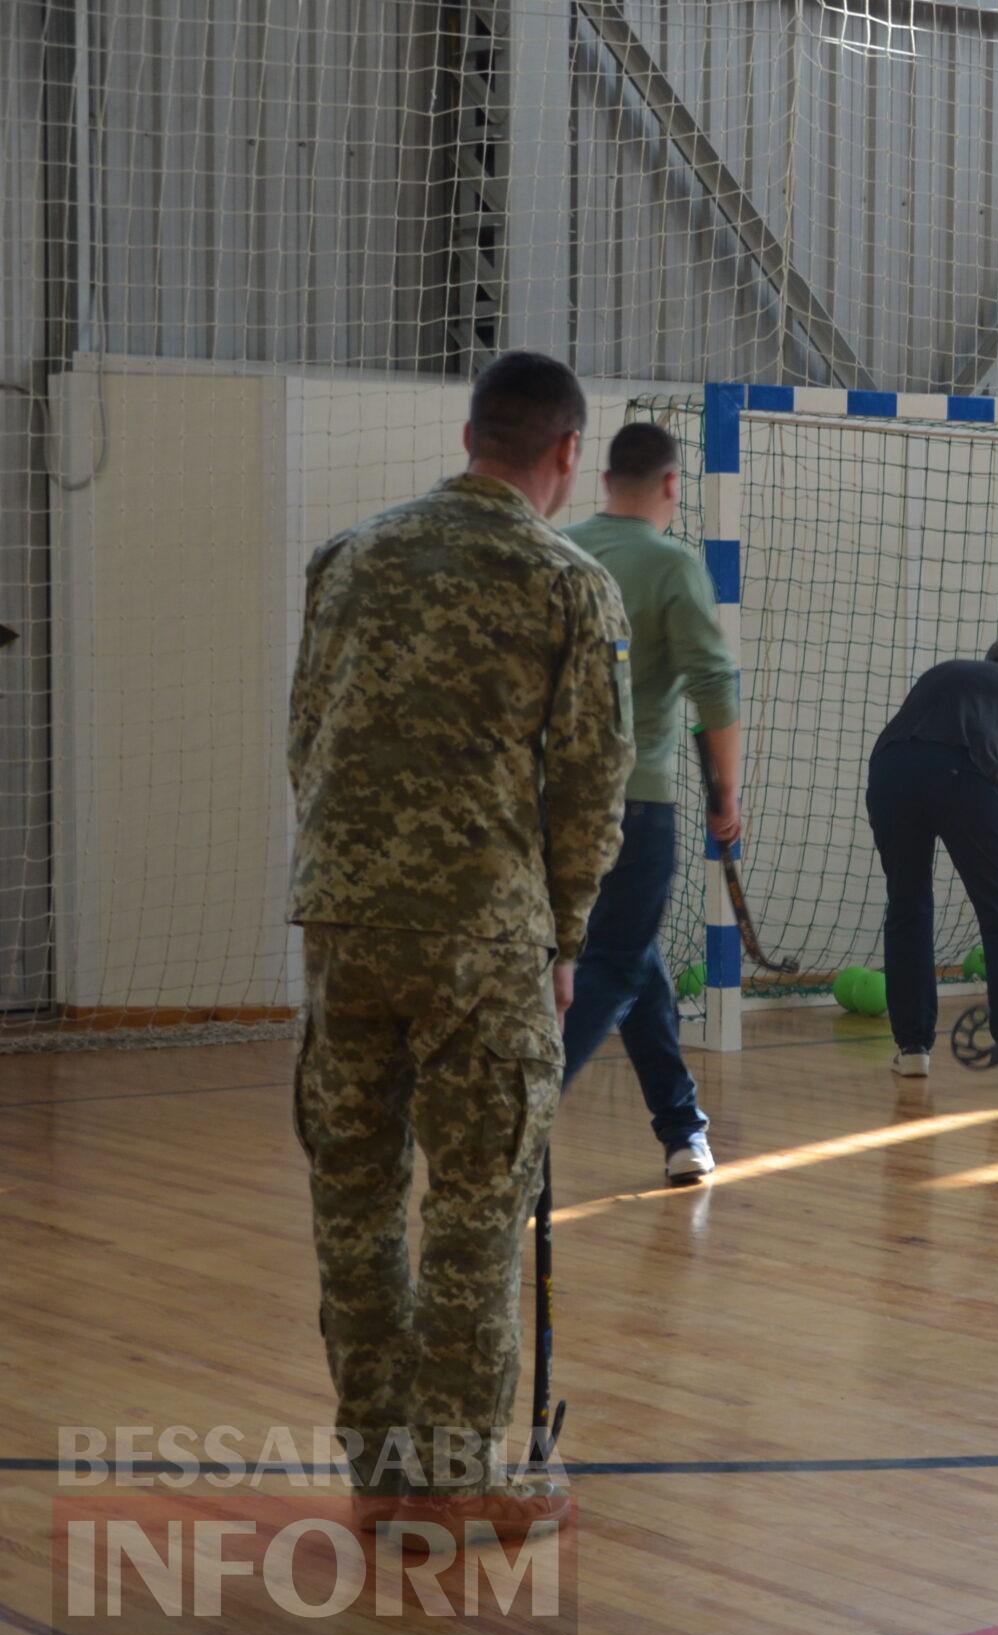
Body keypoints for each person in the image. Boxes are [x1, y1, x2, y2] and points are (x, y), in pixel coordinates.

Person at [289, 350, 632, 1540]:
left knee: (355, 1199)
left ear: (473, 432)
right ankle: (455, 1469)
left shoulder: (350, 556)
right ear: (565, 452)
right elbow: (593, 785)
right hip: (482, 933)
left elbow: (307, 741)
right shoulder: (566, 581)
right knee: (478, 1205)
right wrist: (569, 931)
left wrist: (351, 881)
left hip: (341, 921)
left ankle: (381, 1467)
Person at [559, 422, 743, 1181]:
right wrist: (727, 795)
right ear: (672, 485)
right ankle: (524, 1103)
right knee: (616, 960)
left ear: (603, 478)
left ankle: (681, 1129)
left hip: (546, 802)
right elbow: (713, 687)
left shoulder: (561, 550)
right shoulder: (673, 566)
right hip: (634, 803)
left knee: (639, 959)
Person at [867, 637, 998, 1084]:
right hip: (964, 772)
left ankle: (913, 1048)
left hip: (889, 770)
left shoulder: (948, 673)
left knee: (907, 903)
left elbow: (919, 744)